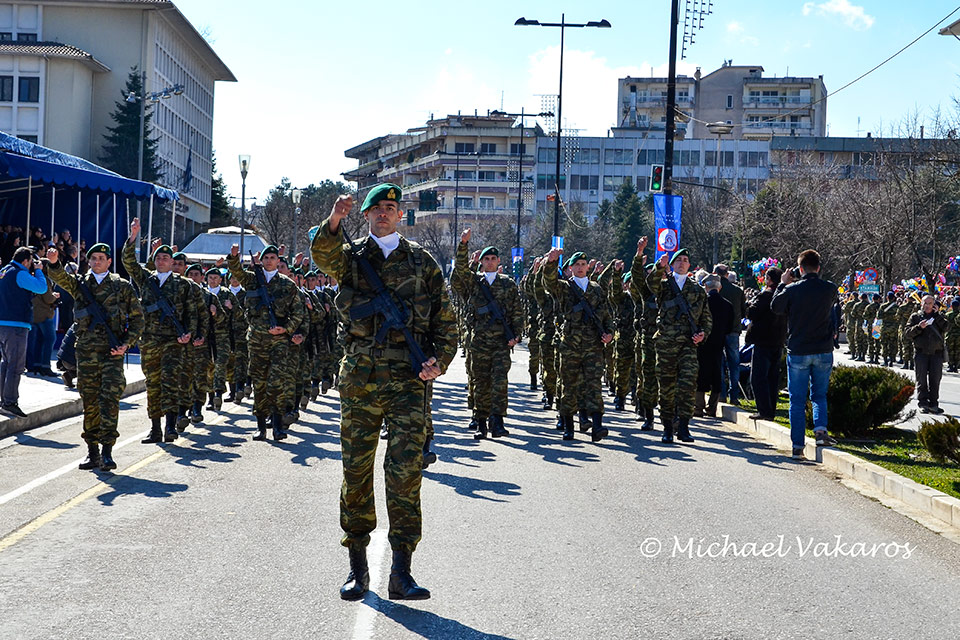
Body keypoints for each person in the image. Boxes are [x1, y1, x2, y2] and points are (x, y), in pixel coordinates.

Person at [311, 184, 457, 602]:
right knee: (355, 471)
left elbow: (447, 324)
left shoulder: (422, 262)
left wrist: (439, 361)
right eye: (376, 209)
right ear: (367, 215)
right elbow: (322, 253)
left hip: (410, 381)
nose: (383, 214)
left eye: (390, 208)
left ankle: (401, 572)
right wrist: (335, 218)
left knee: (406, 473)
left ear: (400, 214)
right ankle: (358, 569)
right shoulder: (352, 256)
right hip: (360, 377)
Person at [45, 243, 143, 471]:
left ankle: (107, 451)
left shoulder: (121, 286)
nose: (97, 261)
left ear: (109, 262)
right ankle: (92, 452)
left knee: (109, 402)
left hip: (112, 353)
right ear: (89, 262)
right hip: (87, 354)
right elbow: (60, 276)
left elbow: (138, 319)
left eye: (101, 258)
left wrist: (126, 344)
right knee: (90, 402)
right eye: (93, 258)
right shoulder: (81, 284)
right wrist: (53, 262)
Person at [122, 219, 197, 443]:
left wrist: (189, 333)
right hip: (150, 341)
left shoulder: (184, 285)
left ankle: (171, 426)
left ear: (172, 261)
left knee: (170, 382)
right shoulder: (147, 279)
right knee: (153, 383)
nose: (162, 260)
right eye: (159, 258)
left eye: (166, 257)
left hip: (174, 341)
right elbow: (129, 263)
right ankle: (155, 428)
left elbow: (192, 313)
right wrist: (133, 236)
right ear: (154, 261)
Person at [227, 244, 304, 441]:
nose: (269, 260)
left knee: (276, 383)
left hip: (279, 341)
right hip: (257, 340)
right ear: (261, 260)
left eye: (273, 257)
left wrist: (285, 329)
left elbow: (298, 313)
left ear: (278, 261)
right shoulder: (252, 280)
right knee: (259, 383)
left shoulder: (288, 285)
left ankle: (277, 426)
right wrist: (234, 257)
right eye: (266, 257)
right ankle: (260, 426)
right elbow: (237, 272)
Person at [451, 230, 522, 439]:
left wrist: (516, 334)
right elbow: (460, 272)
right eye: (486, 259)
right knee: (480, 381)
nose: (490, 262)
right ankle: (481, 421)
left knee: (499, 381)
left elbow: (517, 311)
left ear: (498, 261)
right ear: (481, 262)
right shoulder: (475, 282)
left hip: (501, 341)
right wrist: (463, 245)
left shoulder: (507, 284)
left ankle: (497, 421)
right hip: (479, 341)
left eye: (493, 259)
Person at [771, 250, 839, 460]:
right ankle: (820, 431)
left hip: (799, 349)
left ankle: (797, 446)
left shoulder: (792, 289)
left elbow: (776, 307)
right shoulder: (830, 288)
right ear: (818, 268)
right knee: (819, 395)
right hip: (822, 348)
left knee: (797, 400)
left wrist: (782, 284)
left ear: (800, 269)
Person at [542, 249, 614, 441]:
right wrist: (551, 262)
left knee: (594, 386)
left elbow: (607, 315)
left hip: (593, 346)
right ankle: (569, 426)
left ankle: (597, 426)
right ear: (571, 268)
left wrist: (610, 334)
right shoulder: (565, 288)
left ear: (588, 267)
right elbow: (549, 283)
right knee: (569, 386)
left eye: (583, 264)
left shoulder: (597, 289)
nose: (580, 268)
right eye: (577, 265)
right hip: (571, 345)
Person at [646, 247, 711, 443]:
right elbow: (650, 284)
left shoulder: (697, 290)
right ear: (672, 265)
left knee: (687, 385)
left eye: (685, 260)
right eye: (678, 260)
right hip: (666, 344)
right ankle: (667, 427)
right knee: (666, 386)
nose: (682, 263)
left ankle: (683, 427)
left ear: (689, 265)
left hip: (688, 345)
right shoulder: (664, 286)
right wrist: (659, 267)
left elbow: (706, 319)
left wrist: (703, 334)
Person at [0, 246, 49, 417]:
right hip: (16, 325)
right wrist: (39, 271)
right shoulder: (20, 273)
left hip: (3, 323)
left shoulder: (4, 270)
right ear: (26, 261)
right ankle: (9, 402)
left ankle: (3, 400)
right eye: (31, 262)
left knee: (6, 363)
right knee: (15, 366)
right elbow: (42, 288)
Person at [745, 267, 787, 421]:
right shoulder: (783, 295)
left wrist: (749, 305)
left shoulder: (766, 295)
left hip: (763, 340)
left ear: (769, 279)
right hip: (778, 340)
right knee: (772, 378)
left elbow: (752, 313)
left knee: (758, 377)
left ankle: (763, 410)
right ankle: (770, 411)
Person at [695, 275, 733, 418]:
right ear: (719, 287)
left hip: (702, 342)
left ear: (706, 286)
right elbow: (730, 327)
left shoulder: (702, 302)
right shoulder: (727, 305)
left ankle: (698, 407)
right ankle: (712, 407)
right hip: (718, 343)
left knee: (701, 374)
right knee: (717, 374)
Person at [906, 295, 948, 414]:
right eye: (925, 303)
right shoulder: (915, 317)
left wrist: (937, 316)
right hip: (921, 353)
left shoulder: (939, 317)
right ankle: (923, 403)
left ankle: (934, 403)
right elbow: (907, 333)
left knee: (935, 380)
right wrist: (919, 327)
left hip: (936, 354)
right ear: (921, 304)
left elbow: (947, 327)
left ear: (934, 305)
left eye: (930, 303)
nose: (927, 306)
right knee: (921, 379)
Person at [715, 263, 746, 405]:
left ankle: (721, 393)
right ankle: (734, 395)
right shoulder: (738, 291)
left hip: (718, 330)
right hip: (733, 330)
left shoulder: (715, 290)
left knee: (719, 363)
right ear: (727, 274)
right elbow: (744, 311)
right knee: (734, 364)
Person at [944, 297, 960, 373]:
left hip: (950, 335)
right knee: (957, 351)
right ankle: (956, 366)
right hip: (958, 335)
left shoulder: (948, 314)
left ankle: (950, 365)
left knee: (950, 351)